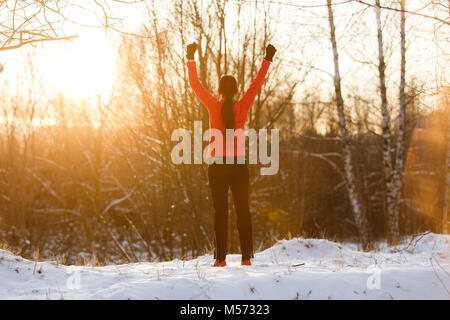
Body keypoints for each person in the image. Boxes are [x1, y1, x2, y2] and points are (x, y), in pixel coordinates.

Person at [186, 42, 276, 267]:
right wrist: (267, 59)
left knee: (220, 213)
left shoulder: (213, 106)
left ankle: (220, 260)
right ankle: (246, 259)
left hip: (217, 166)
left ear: (219, 90)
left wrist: (190, 58)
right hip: (238, 166)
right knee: (243, 212)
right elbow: (256, 84)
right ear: (236, 91)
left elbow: (195, 85)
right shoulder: (243, 106)